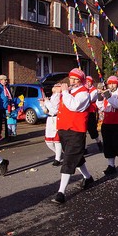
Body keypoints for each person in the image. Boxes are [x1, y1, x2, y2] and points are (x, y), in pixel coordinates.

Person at [51, 68, 94, 204]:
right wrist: (57, 94)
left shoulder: (84, 93)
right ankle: (88, 177)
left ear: (81, 80)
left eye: (76, 79)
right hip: (63, 129)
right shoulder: (68, 92)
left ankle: (61, 192)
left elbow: (73, 106)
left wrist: (64, 92)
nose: (73, 81)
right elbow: (54, 107)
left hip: (76, 131)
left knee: (69, 159)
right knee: (76, 157)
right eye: (71, 79)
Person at [97, 75, 118, 175]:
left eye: (113, 83)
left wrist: (108, 96)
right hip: (107, 122)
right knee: (108, 145)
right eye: (109, 83)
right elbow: (101, 107)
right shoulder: (108, 93)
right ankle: (111, 166)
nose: (111, 85)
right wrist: (99, 97)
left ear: (117, 83)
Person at [40, 83, 63, 167]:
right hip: (50, 119)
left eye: (57, 86)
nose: (55, 86)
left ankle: (57, 158)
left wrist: (47, 102)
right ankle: (59, 154)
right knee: (48, 141)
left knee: (57, 140)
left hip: (56, 119)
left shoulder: (59, 96)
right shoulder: (53, 96)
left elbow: (54, 110)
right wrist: (43, 105)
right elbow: (47, 111)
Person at [84, 76, 103, 153]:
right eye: (86, 81)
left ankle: (99, 143)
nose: (87, 83)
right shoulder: (84, 89)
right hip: (83, 112)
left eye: (89, 82)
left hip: (91, 112)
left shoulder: (94, 90)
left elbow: (90, 99)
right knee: (83, 130)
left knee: (92, 130)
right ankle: (84, 148)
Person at [0, 74, 13, 139]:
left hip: (7, 108)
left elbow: (10, 96)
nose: (6, 81)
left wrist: (12, 104)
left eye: (6, 80)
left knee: (8, 121)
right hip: (0, 108)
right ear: (0, 80)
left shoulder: (7, 87)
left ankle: (8, 135)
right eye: (4, 80)